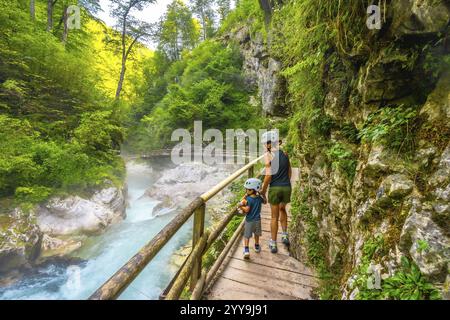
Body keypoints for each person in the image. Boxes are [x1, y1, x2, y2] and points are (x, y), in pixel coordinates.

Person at [260, 131, 292, 254]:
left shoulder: (268, 156)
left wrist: (263, 191)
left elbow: (268, 176)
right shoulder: (285, 153)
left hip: (275, 189)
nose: (264, 146)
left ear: (268, 145)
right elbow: (289, 172)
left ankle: (273, 243)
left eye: (264, 144)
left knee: (274, 217)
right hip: (286, 187)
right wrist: (285, 183)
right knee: (283, 209)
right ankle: (284, 235)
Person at [237, 178, 264, 259]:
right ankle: (256, 246)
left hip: (249, 220)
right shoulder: (259, 198)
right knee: (256, 234)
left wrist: (241, 206)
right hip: (258, 220)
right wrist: (262, 194)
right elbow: (265, 201)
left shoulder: (248, 199)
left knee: (247, 235)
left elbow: (247, 210)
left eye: (248, 189)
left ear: (253, 190)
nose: (246, 191)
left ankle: (246, 250)